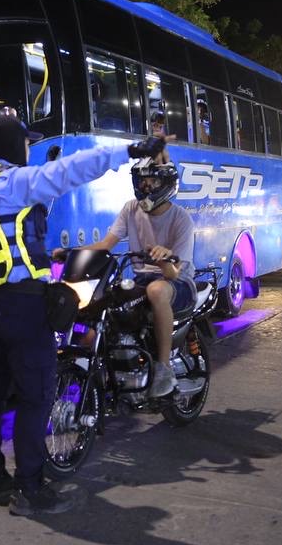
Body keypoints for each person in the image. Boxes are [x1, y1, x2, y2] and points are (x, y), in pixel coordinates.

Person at [0, 115, 168, 516]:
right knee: (36, 396)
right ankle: (30, 489)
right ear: (13, 145)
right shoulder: (13, 182)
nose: (28, 150)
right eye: (25, 143)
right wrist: (127, 151)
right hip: (21, 304)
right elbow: (69, 171)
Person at [61, 155, 196, 402]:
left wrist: (163, 260)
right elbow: (106, 244)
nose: (146, 186)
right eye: (142, 181)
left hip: (179, 282)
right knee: (106, 301)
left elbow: (174, 273)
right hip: (142, 279)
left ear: (167, 183)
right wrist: (71, 252)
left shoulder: (181, 218)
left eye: (152, 181)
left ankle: (164, 369)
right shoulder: (131, 208)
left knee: (156, 290)